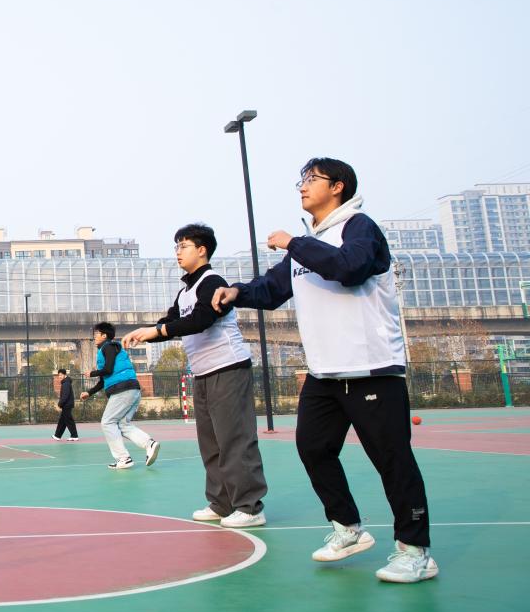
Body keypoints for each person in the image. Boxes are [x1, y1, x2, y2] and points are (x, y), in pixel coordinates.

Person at [213, 157, 437, 583]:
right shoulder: (310, 244)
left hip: (371, 369)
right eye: (301, 179)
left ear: (338, 186)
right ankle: (348, 528)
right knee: (313, 448)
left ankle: (416, 551)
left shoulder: (358, 226)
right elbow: (272, 289)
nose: (302, 186)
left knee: (392, 461)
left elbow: (350, 268)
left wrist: (294, 242)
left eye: (311, 179)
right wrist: (236, 292)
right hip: (325, 374)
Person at [123, 224, 267, 528]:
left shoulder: (212, 281)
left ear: (202, 250)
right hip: (203, 373)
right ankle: (222, 503)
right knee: (211, 443)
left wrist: (157, 330)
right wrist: (145, 332)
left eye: (184, 246)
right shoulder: (185, 291)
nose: (178, 252)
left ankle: (250, 507)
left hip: (228, 368)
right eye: (176, 246)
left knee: (235, 440)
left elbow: (201, 319)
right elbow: (172, 322)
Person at [81, 322, 159, 470]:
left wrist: (92, 373)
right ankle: (149, 444)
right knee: (123, 424)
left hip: (123, 390)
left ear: (104, 335)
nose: (94, 336)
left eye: (96, 334)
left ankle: (123, 458)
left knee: (107, 422)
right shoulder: (107, 350)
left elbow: (108, 370)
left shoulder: (108, 347)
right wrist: (89, 393)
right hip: (131, 390)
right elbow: (104, 380)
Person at [51, 369, 78, 440]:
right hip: (66, 404)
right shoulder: (65, 382)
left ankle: (74, 436)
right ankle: (57, 435)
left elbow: (65, 395)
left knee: (69, 421)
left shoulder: (66, 383)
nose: (59, 376)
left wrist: (60, 404)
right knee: (62, 421)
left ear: (64, 375)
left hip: (67, 405)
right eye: (59, 375)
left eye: (61, 375)